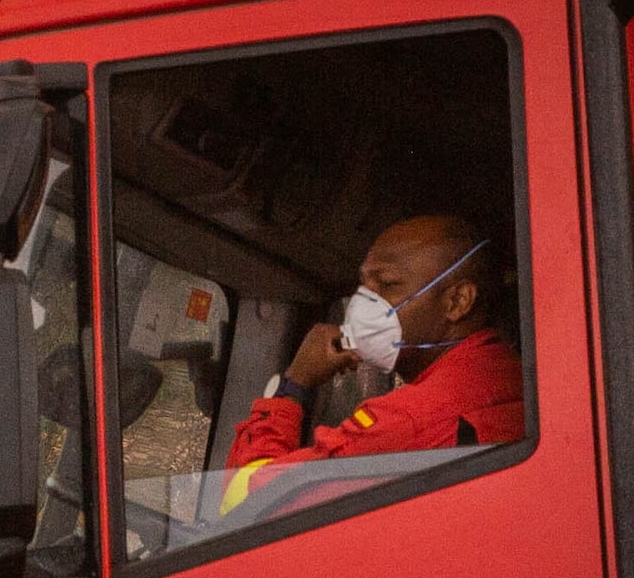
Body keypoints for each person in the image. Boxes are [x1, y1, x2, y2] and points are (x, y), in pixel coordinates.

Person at [223, 212, 523, 509]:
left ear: (457, 302)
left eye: (388, 285)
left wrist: (294, 385)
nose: (363, 304)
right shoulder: (508, 377)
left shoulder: (410, 419)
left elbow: (245, 505)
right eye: (363, 286)